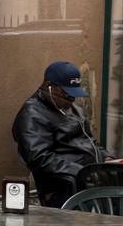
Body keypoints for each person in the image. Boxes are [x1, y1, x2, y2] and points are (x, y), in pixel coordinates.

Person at [12, 60, 106, 207]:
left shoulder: (73, 108)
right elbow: (39, 158)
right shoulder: (32, 114)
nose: (72, 99)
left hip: (91, 177)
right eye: (67, 94)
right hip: (65, 187)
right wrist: (81, 172)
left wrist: (108, 158)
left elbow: (90, 142)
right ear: (49, 87)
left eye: (74, 94)